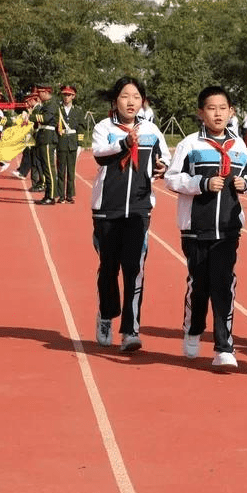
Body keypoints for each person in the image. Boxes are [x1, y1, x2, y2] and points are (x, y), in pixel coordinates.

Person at [165, 86, 247, 368]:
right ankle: (193, 329)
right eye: (211, 108)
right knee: (199, 285)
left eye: (223, 108)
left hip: (228, 229)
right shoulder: (189, 145)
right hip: (196, 227)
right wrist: (200, 184)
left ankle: (223, 347)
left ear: (231, 112)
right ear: (200, 112)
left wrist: (246, 184)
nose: (217, 113)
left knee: (224, 285)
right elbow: (171, 178)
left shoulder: (238, 146)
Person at [90, 77, 170, 352]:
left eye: (136, 96)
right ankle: (105, 315)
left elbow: (165, 159)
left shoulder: (151, 130)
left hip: (139, 209)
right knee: (109, 270)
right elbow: (99, 155)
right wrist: (124, 142)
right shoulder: (104, 128)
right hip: (107, 210)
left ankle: (130, 330)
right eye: (125, 96)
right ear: (115, 101)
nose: (131, 101)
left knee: (134, 270)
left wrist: (162, 167)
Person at [55, 85, 86, 204]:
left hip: (73, 143)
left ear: (73, 96)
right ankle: (61, 195)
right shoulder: (58, 109)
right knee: (61, 170)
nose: (66, 97)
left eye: (68, 95)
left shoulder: (77, 111)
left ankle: (69, 195)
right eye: (64, 94)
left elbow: (81, 127)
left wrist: (80, 144)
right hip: (61, 142)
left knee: (71, 171)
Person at [32, 84, 60, 205]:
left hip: (48, 137)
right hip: (43, 137)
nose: (38, 95)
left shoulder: (52, 104)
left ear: (46, 92)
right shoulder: (46, 104)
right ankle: (48, 194)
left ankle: (51, 195)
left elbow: (46, 118)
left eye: (40, 93)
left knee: (49, 168)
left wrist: (30, 116)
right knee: (45, 168)